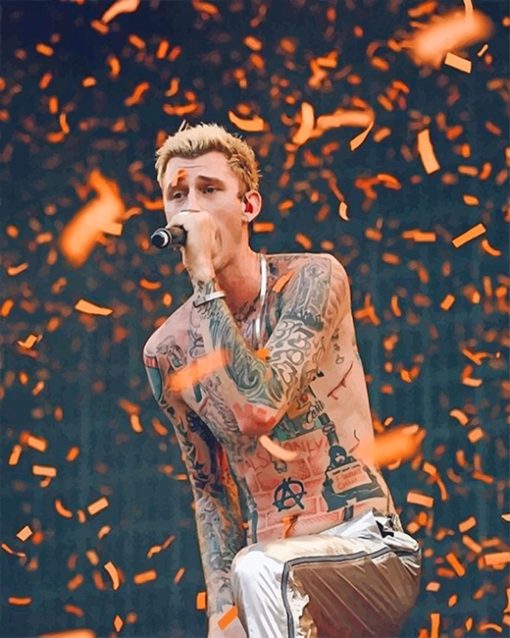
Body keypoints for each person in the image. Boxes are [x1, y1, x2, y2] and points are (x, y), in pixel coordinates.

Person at [143, 122, 421, 638]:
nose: (191, 208)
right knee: (248, 585)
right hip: (268, 579)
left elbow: (259, 410)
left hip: (366, 547)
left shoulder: (312, 279)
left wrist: (204, 279)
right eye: (177, 195)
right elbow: (211, 492)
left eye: (209, 189)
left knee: (259, 568)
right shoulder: (167, 351)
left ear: (248, 205)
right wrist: (221, 612)